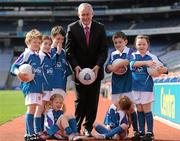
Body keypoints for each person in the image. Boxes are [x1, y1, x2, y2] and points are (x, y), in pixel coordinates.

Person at [65, 3, 108, 136]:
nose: (85, 17)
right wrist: (76, 67)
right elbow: (69, 51)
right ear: (79, 15)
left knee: (92, 101)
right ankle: (76, 128)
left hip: (95, 72)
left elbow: (103, 50)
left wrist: (98, 66)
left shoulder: (100, 28)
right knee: (80, 100)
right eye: (82, 14)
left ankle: (88, 128)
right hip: (79, 73)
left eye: (87, 14)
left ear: (92, 14)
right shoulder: (71, 28)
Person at [130, 35, 168, 141]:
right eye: (139, 44)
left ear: (148, 45)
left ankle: (150, 132)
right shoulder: (133, 55)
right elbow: (132, 64)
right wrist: (146, 63)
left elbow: (164, 67)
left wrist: (162, 69)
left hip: (146, 87)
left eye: (144, 44)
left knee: (146, 110)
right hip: (135, 87)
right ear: (135, 45)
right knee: (139, 109)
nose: (141, 46)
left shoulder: (152, 56)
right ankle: (141, 132)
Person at [10, 29, 45, 141]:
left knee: (37, 110)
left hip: (38, 88)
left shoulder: (38, 55)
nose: (37, 44)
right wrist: (19, 73)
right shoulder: (27, 54)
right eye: (35, 42)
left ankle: (34, 133)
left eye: (39, 42)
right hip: (30, 87)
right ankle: (29, 134)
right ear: (28, 42)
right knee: (31, 109)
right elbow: (13, 67)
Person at [105, 31, 139, 139]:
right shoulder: (113, 54)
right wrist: (111, 68)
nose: (118, 44)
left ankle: (137, 131)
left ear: (126, 41)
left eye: (120, 42)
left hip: (128, 85)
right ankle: (119, 130)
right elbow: (107, 67)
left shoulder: (131, 52)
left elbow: (130, 61)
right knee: (118, 108)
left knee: (131, 108)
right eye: (115, 43)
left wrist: (119, 64)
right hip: (116, 86)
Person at [50, 26, 73, 98]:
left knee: (59, 108)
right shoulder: (47, 51)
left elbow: (67, 69)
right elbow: (50, 65)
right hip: (50, 87)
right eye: (58, 39)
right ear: (52, 38)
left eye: (62, 39)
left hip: (62, 87)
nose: (60, 41)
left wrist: (69, 83)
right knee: (48, 108)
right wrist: (58, 52)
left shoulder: (64, 52)